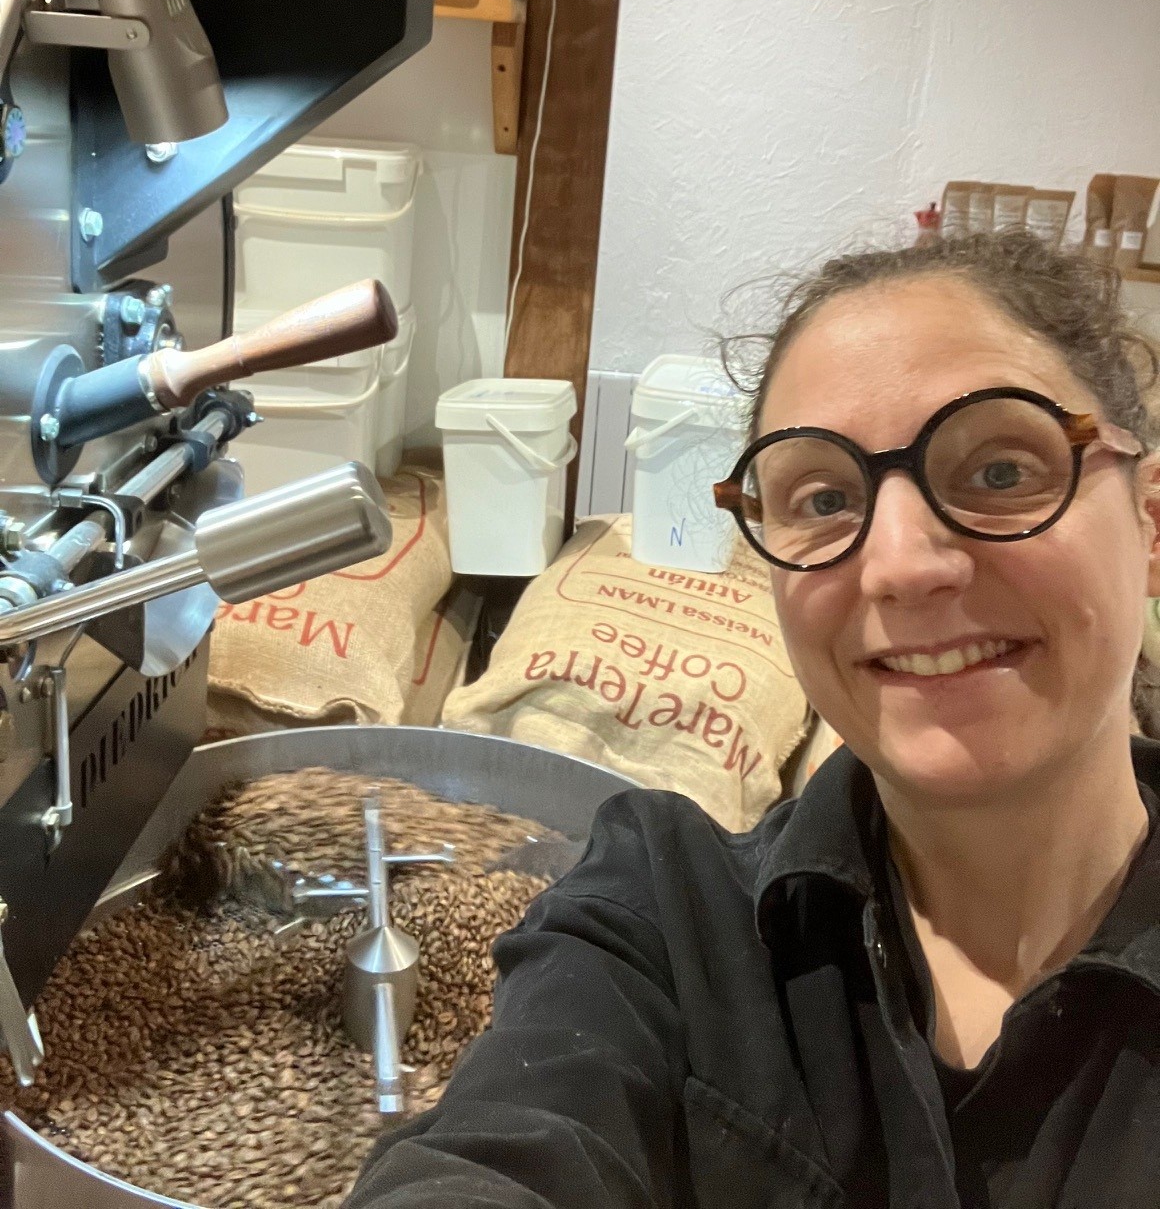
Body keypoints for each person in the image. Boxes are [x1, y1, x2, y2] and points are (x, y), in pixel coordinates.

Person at [346, 229, 1160, 1209]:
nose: (902, 565)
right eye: (824, 496)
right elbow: (503, 1149)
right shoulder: (665, 915)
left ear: (1149, 521)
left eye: (999, 472)